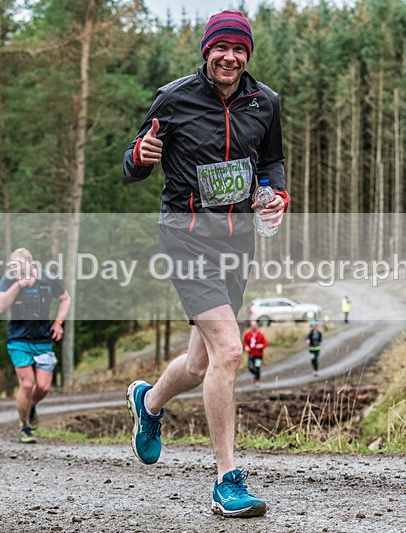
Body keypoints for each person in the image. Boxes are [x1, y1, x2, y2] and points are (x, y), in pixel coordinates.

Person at [122, 9, 290, 518]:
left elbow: (271, 161)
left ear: (247, 55)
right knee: (230, 351)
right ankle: (226, 481)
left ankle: (149, 402)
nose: (230, 57)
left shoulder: (266, 102)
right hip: (186, 238)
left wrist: (276, 194)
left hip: (236, 243)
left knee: (201, 365)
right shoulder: (174, 98)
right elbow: (133, 163)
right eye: (222, 48)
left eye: (239, 49)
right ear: (207, 51)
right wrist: (140, 155)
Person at [0, 248, 71, 444]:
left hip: (43, 340)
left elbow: (65, 298)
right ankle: (24, 426)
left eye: (21, 270)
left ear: (31, 265)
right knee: (27, 384)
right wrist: (18, 285)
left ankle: (31, 405)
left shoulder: (47, 278)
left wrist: (58, 323)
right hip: (19, 339)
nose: (18, 273)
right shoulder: (10, 280)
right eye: (14, 270)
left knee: (43, 387)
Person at [243, 320, 267, 386]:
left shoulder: (260, 335)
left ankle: (257, 380)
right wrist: (246, 347)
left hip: (259, 355)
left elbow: (265, 343)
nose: (254, 327)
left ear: (257, 326)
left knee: (257, 367)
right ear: (251, 326)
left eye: (255, 325)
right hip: (251, 354)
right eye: (252, 325)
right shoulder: (248, 334)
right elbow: (245, 342)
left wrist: (261, 345)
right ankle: (255, 376)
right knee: (250, 367)